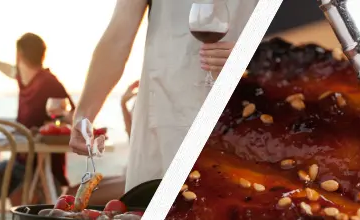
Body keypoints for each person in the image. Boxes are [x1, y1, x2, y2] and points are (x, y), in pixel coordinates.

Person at [68, 0, 258, 193]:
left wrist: (254, 55)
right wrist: (84, 115)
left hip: (253, 112)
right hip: (166, 118)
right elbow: (117, 38)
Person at [0, 33, 74, 212]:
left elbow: (73, 116)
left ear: (19, 54)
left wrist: (55, 122)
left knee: (20, 199)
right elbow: (9, 70)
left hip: (43, 168)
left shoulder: (49, 82)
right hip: (19, 162)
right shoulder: (23, 78)